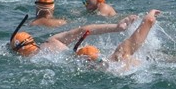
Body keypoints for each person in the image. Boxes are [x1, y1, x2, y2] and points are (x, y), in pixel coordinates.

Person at [10, 16, 138, 57]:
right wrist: (117, 27)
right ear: (31, 40)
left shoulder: (34, 61)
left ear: (19, 51)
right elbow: (82, 30)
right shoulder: (52, 41)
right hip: (87, 58)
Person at [75, 10, 161, 71]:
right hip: (155, 65)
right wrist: (151, 13)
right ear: (98, 53)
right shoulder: (119, 56)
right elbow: (149, 21)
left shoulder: (104, 69)